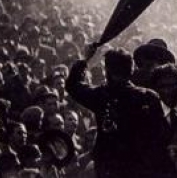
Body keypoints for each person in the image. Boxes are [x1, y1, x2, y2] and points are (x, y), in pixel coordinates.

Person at [65, 47, 168, 178]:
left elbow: (73, 85)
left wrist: (85, 60)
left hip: (108, 166)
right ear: (131, 70)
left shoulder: (101, 95)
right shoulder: (149, 97)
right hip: (140, 167)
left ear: (107, 71)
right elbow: (160, 135)